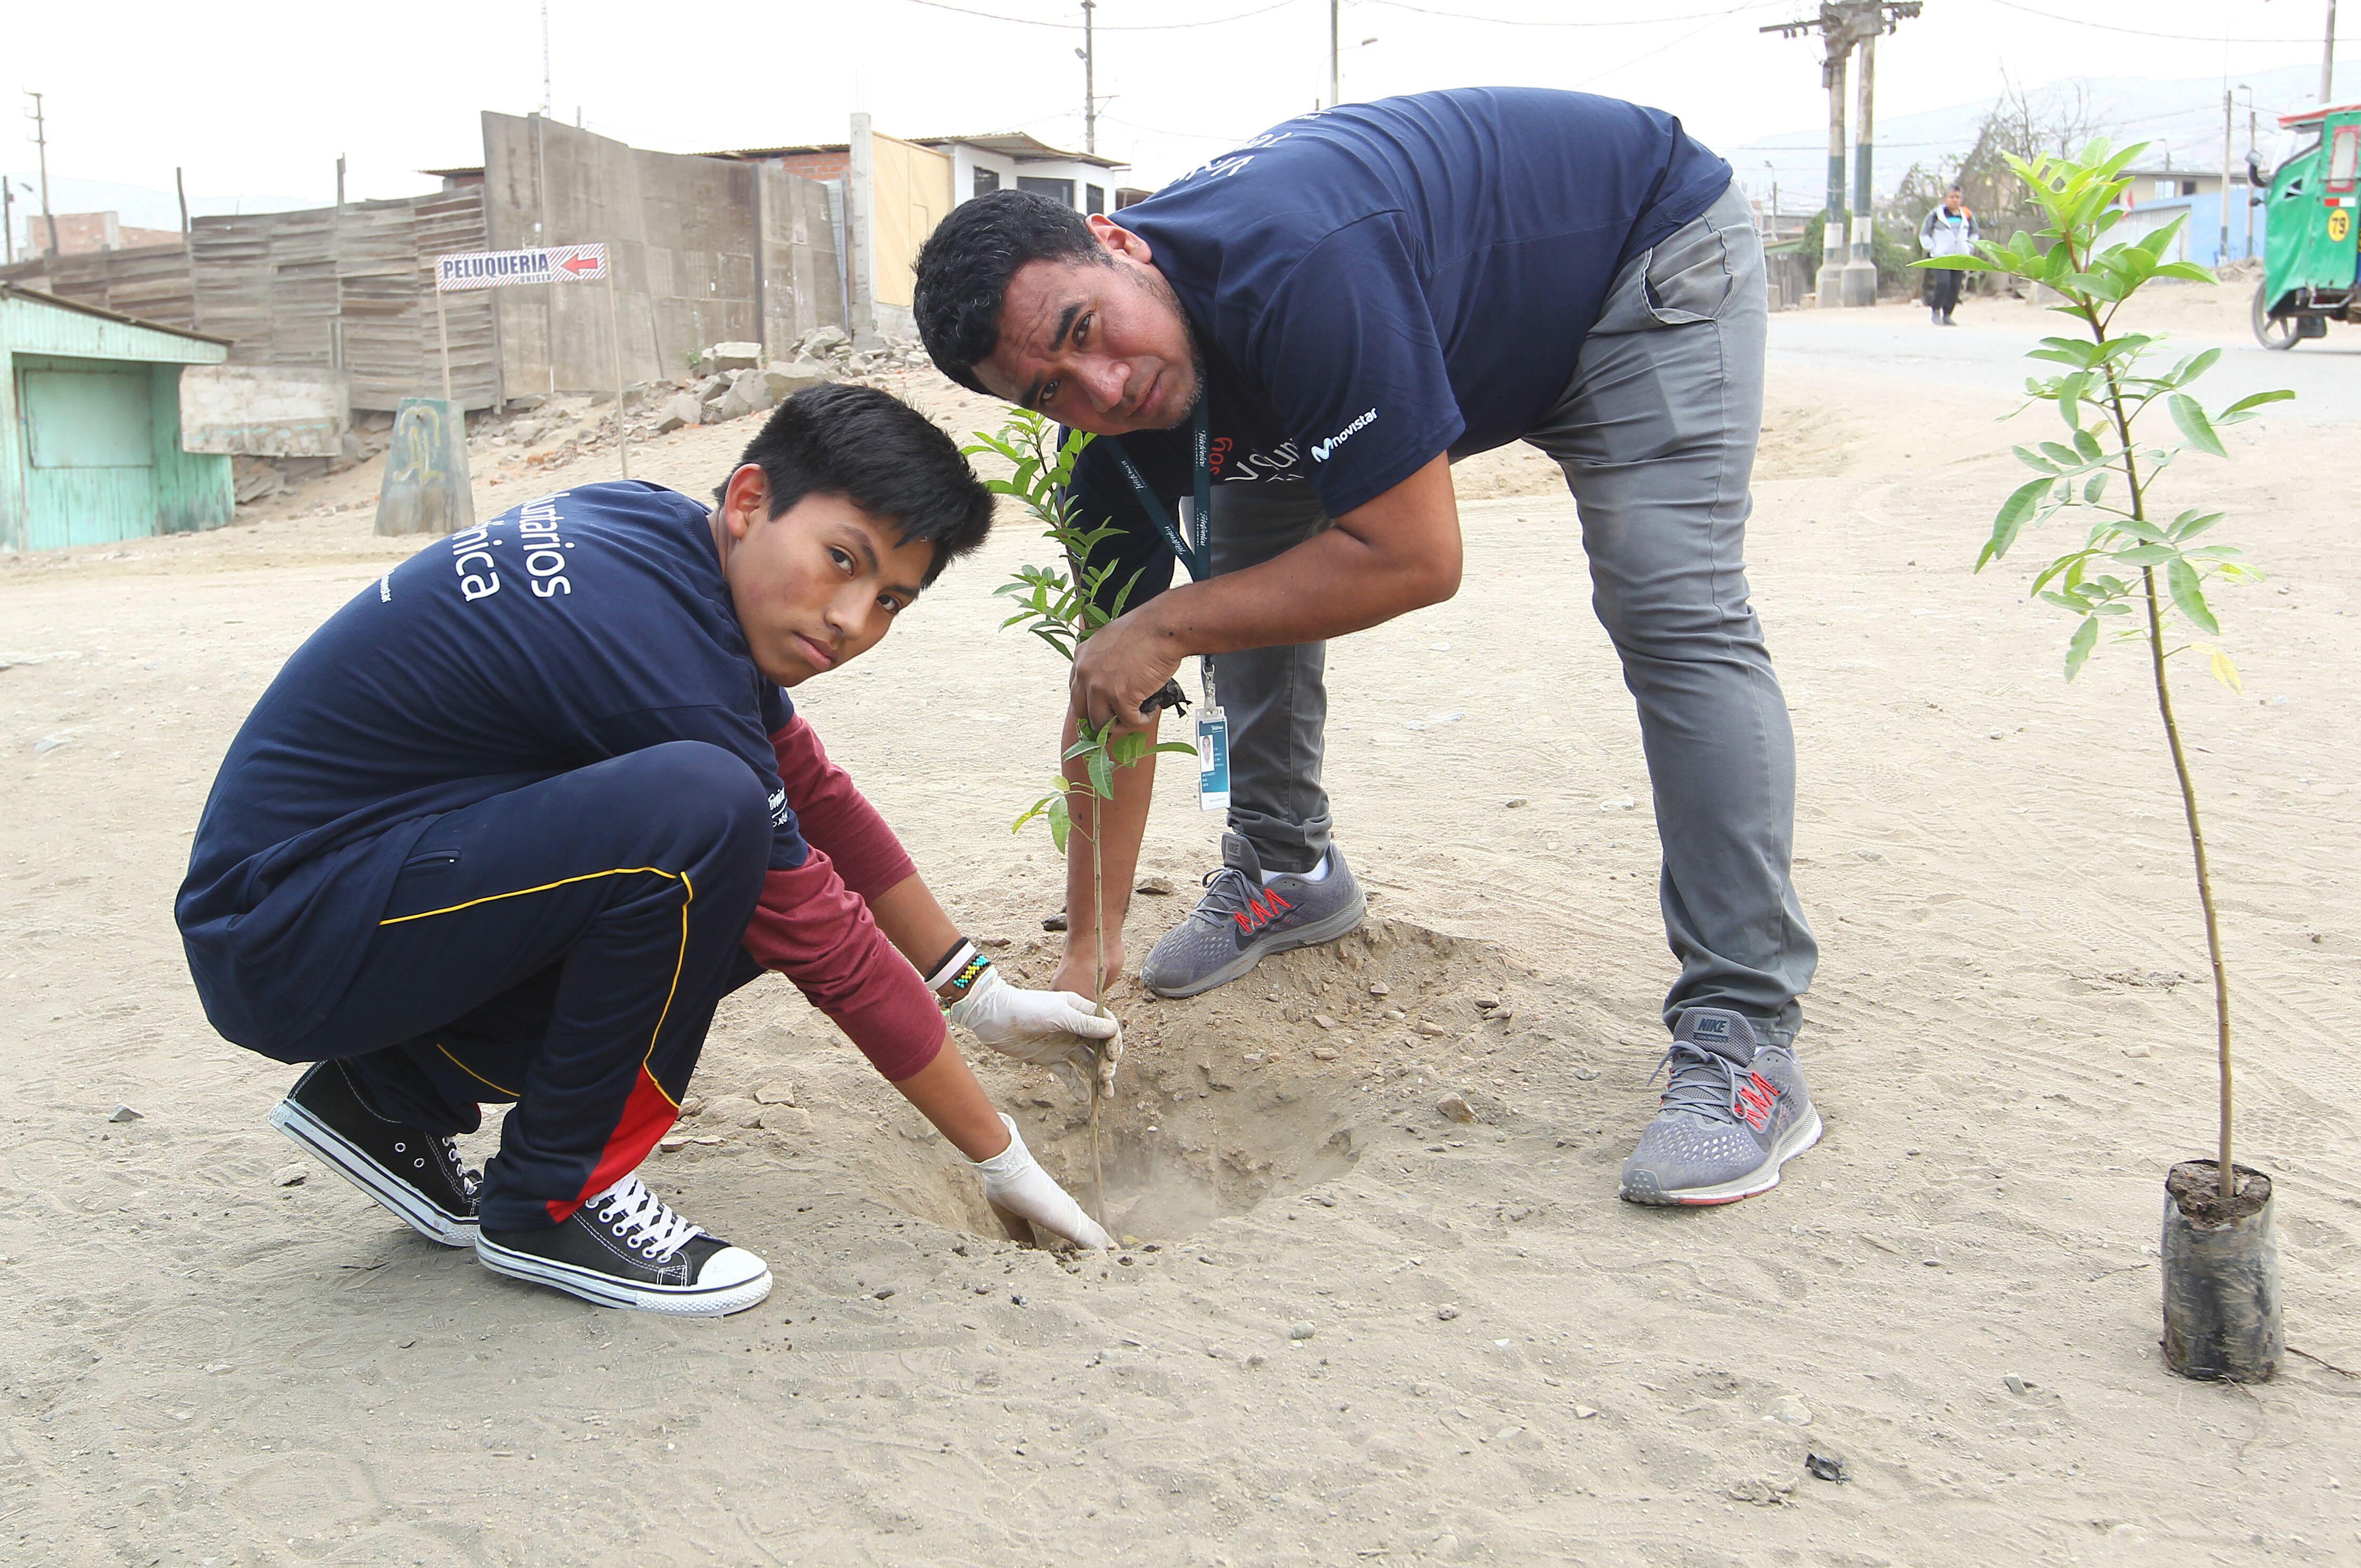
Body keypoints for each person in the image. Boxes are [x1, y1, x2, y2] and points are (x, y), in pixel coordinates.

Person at [913, 87, 1822, 1209]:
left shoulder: (1296, 263)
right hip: (1439, 333)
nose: (1103, 390)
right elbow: (1112, 690)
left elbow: (1412, 557)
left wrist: (1167, 622)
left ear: (1116, 240)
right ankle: (1287, 869)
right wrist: (1086, 955)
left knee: (1669, 605)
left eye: (1085, 333)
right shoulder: (1115, 432)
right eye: (1052, 391)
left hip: (1630, 266)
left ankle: (1743, 1031)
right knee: (1241, 579)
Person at [176, 385, 1120, 1319]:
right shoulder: (646, 649)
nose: (852, 619)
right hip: (284, 933)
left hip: (336, 899)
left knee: (738, 834)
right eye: (842, 561)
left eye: (889, 602)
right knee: (709, 818)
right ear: (750, 501)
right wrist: (1001, 1158)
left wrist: (980, 997)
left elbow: (814, 790)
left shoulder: (661, 536)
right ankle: (556, 1197)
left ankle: (388, 1097)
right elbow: (824, 937)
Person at [1919, 186, 1978, 324]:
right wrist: (1932, 248)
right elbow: (1924, 234)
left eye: (1957, 197)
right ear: (1945, 199)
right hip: (1941, 257)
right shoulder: (1936, 215)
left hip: (1959, 256)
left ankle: (1947, 314)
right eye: (1952, 197)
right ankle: (1935, 309)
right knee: (1943, 283)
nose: (1955, 200)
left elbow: (1975, 233)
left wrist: (1969, 247)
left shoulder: (1967, 215)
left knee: (1955, 286)